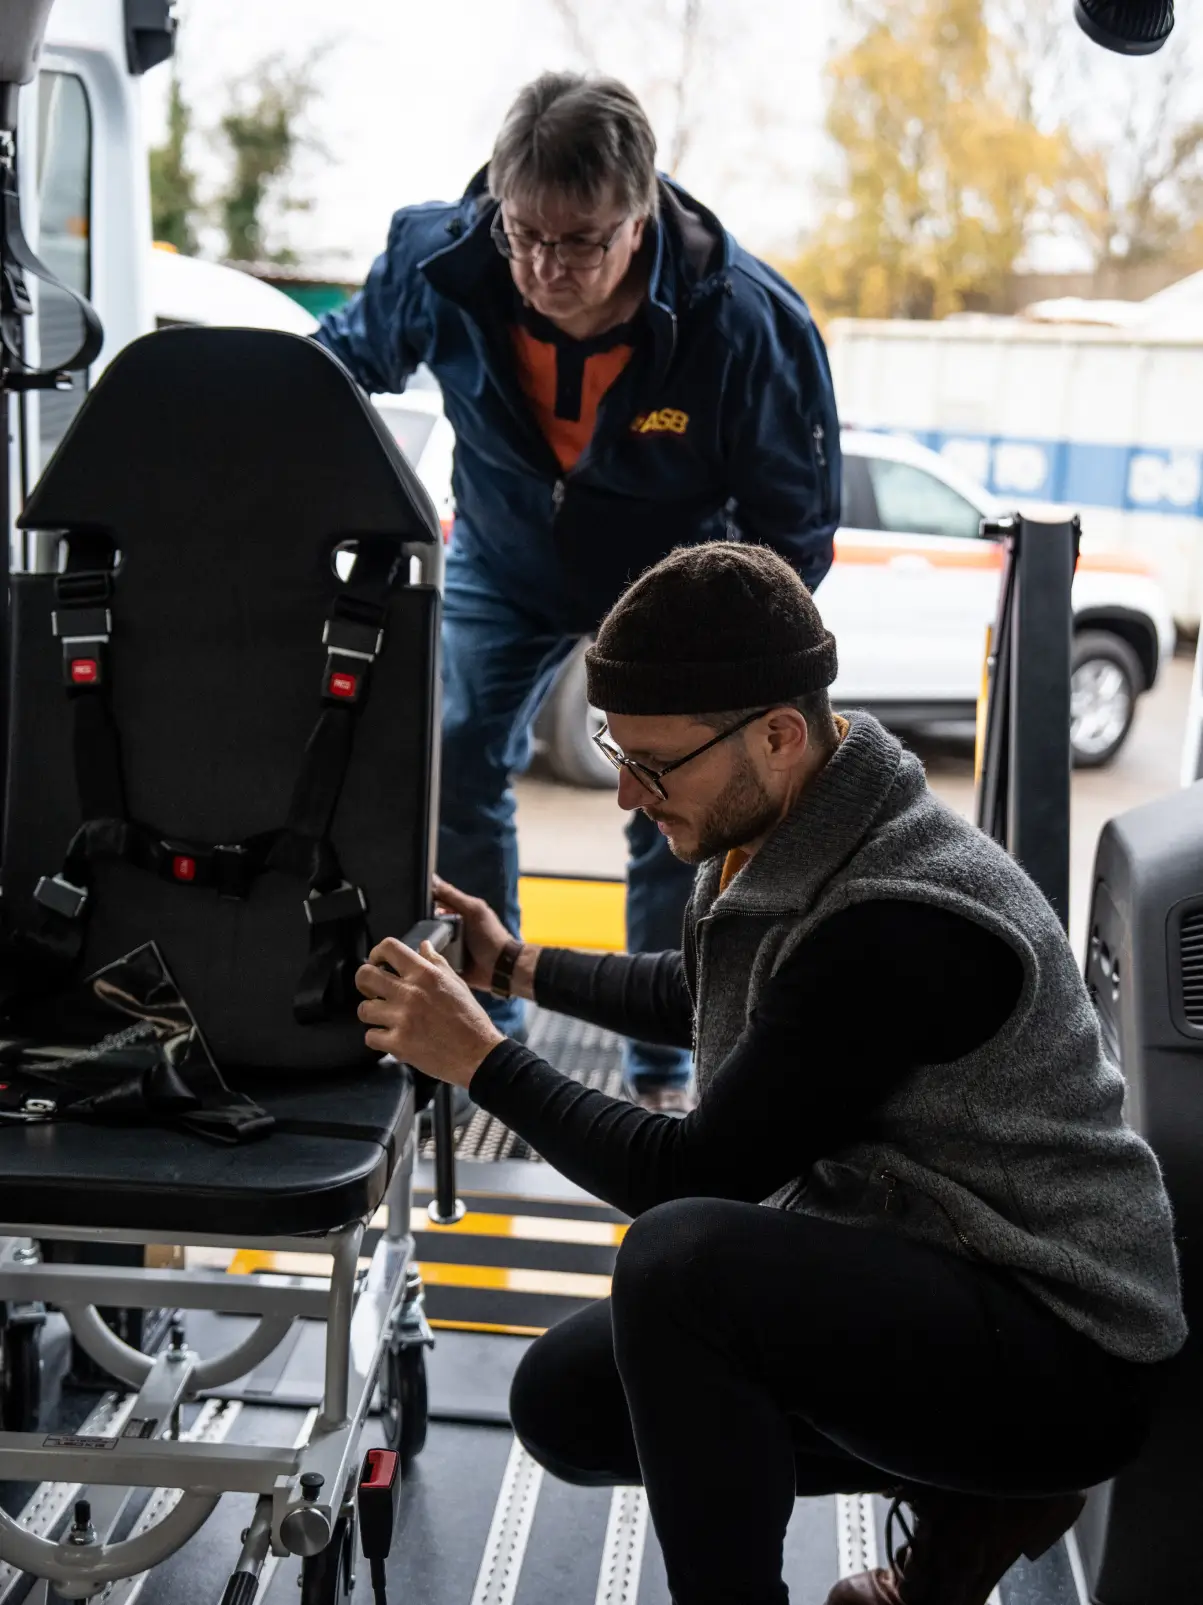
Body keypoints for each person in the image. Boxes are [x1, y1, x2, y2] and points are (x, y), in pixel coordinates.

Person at [354, 541, 1186, 1605]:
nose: (624, 795)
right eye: (619, 751)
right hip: (939, 1267)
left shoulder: (899, 917)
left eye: (653, 765)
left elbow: (691, 1176)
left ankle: (952, 1505)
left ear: (780, 735)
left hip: (1064, 1343)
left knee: (679, 1264)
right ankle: (981, 1504)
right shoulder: (795, 827)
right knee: (567, 1401)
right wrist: (512, 964)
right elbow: (705, 985)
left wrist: (481, 1059)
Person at [317, 73, 841, 1113]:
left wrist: (746, 671)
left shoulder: (740, 320)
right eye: (524, 236)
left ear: (639, 218)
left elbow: (795, 526)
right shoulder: (441, 262)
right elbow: (339, 367)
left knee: (672, 807)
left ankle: (664, 1068)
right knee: (454, 756)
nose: (545, 268)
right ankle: (485, 1030)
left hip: (670, 591)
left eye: (582, 244)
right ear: (496, 207)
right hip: (504, 563)